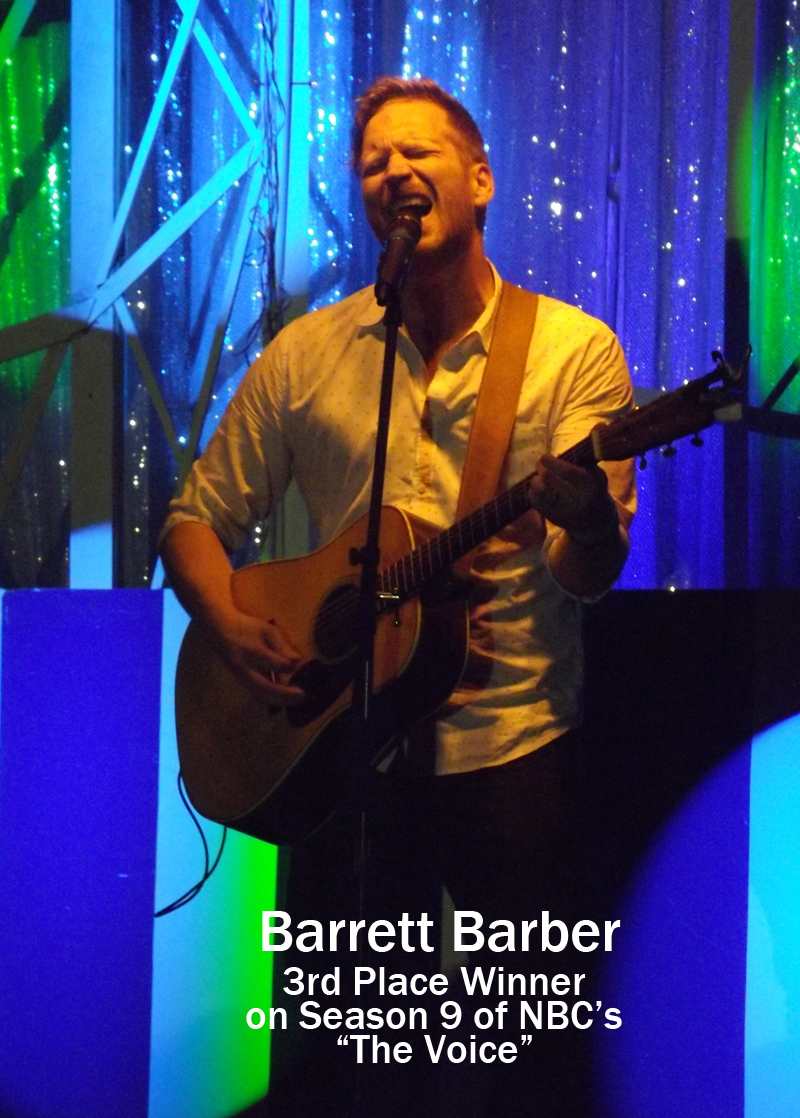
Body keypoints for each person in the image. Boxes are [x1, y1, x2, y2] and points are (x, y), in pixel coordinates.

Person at [160, 76, 635, 1118]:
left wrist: (590, 520)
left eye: (417, 152)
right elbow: (193, 519)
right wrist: (229, 624)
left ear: (480, 180)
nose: (393, 172)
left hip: (511, 753)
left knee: (532, 1064)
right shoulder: (308, 355)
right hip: (336, 755)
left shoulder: (571, 352)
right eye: (374, 161)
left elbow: (585, 574)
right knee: (339, 1065)